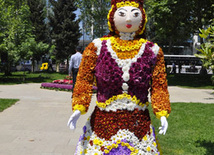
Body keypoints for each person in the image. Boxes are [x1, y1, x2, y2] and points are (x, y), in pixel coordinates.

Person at [67, 0, 171, 154]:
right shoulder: (97, 47)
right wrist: (79, 108)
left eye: (134, 14)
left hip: (139, 126)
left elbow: (159, 87)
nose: (128, 19)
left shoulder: (153, 51)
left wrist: (162, 113)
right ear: (112, 17)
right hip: (103, 126)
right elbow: (84, 80)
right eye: (122, 14)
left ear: (142, 18)